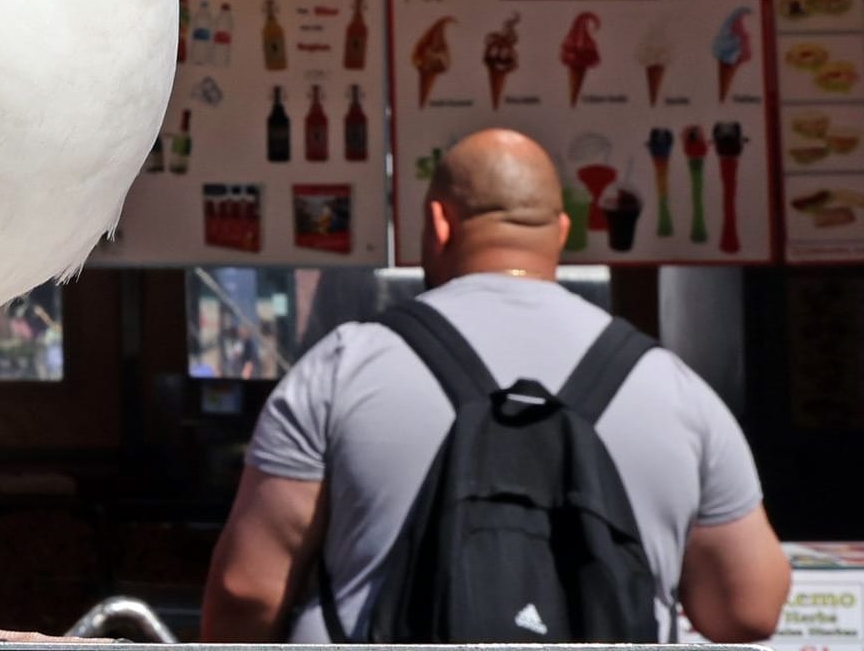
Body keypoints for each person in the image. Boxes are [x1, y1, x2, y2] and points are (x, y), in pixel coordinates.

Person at [202, 128, 790, 643]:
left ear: (438, 223)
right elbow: (747, 610)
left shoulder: (341, 368)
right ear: (561, 232)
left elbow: (248, 590)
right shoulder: (675, 388)